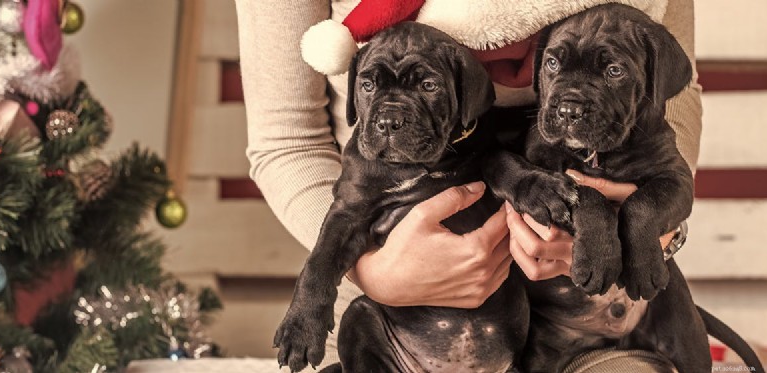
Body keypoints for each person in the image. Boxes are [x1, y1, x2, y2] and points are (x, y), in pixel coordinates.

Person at [235, 0, 702, 371]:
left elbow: (670, 108)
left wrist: (654, 228)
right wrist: (376, 273)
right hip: (387, 315)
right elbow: (284, 141)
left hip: (533, 302)